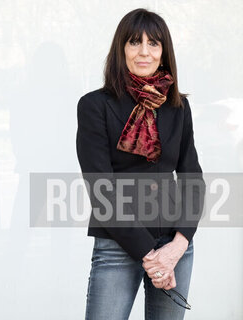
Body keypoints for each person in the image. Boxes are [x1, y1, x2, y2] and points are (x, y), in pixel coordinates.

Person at [76, 9, 206, 320]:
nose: (144, 52)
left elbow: (192, 178)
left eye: (154, 44)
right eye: (135, 43)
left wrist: (177, 246)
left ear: (164, 52)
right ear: (121, 49)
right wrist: (150, 257)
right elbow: (100, 190)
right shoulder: (95, 105)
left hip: (175, 244)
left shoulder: (178, 107)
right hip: (119, 243)